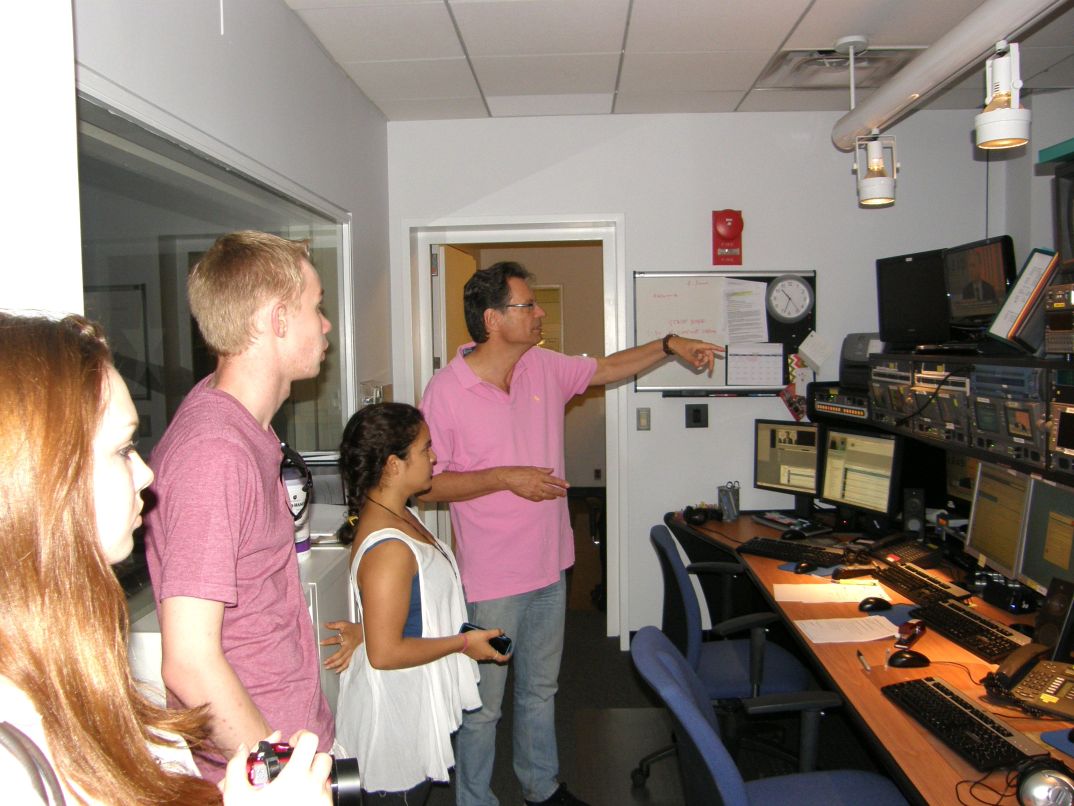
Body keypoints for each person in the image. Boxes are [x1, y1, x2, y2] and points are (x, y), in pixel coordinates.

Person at [419, 261, 723, 806]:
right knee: (484, 704)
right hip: (493, 583)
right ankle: (474, 799)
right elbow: (426, 486)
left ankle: (540, 787)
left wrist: (670, 344)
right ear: (492, 319)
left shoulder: (542, 367)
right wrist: (504, 477)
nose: (539, 313)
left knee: (541, 690)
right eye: (527, 305)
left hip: (551, 568)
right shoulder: (446, 392)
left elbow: (608, 367)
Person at [0, 312, 333, 804]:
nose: (147, 474)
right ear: (40, 475)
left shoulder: (64, 662)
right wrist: (275, 781)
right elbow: (190, 662)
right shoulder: (13, 755)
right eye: (122, 449)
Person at [145, 231, 345, 781]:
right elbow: (189, 663)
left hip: (286, 735)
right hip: (260, 768)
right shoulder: (214, 452)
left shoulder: (241, 425)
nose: (326, 324)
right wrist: (280, 775)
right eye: (316, 307)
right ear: (279, 319)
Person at [334, 403, 508, 804]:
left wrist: (368, 630)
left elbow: (411, 608)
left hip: (412, 700)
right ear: (393, 465)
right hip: (394, 719)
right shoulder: (389, 548)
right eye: (425, 448)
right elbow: (386, 653)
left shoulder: (401, 514)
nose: (434, 457)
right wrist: (464, 644)